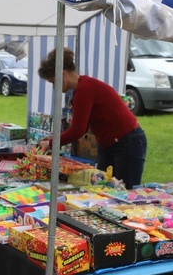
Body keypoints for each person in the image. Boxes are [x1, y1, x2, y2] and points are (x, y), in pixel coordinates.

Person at [38, 48, 147, 189]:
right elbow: (80, 126)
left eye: (53, 82)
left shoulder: (84, 89)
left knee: (126, 190)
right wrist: (53, 139)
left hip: (127, 141)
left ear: (63, 74)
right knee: (101, 187)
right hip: (111, 143)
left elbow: (78, 130)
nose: (54, 87)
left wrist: (52, 142)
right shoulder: (83, 87)